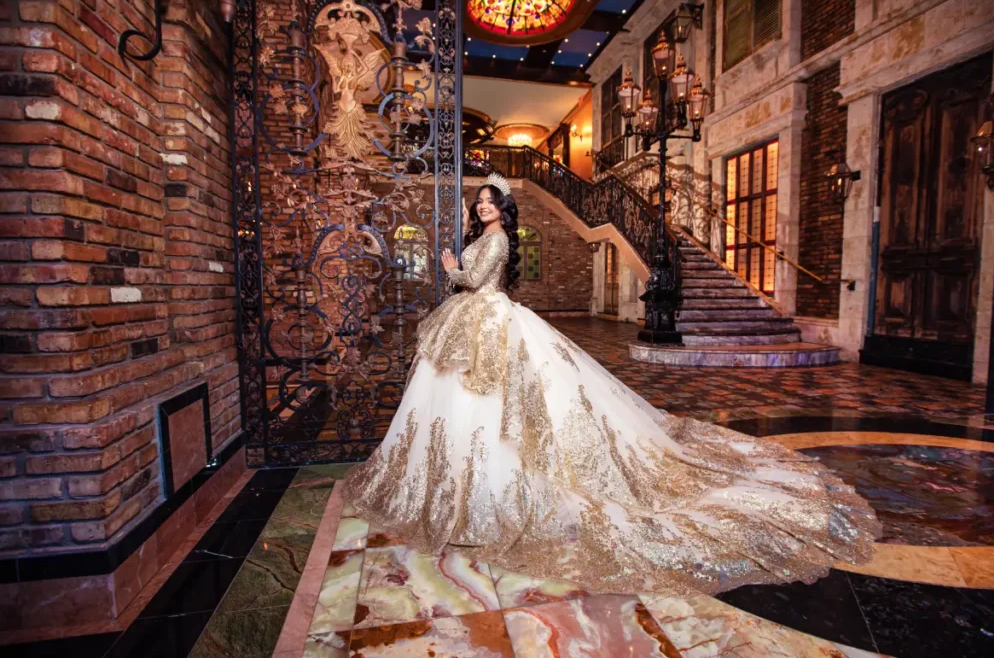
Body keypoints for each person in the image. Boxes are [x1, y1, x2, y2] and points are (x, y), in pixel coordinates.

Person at [340, 172, 879, 595]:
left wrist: (451, 267)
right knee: (458, 394)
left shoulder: (499, 239)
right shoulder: (483, 235)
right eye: (478, 202)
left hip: (487, 318)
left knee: (503, 396)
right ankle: (451, 473)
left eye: (490, 202)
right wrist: (461, 245)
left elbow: (476, 280)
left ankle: (491, 485)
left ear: (504, 209)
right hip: (475, 321)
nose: (483, 207)